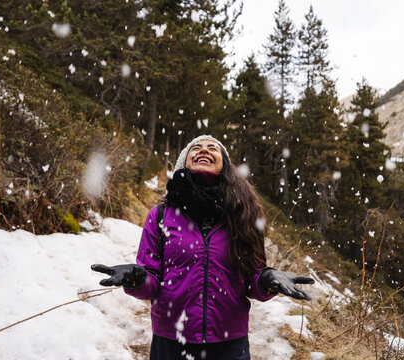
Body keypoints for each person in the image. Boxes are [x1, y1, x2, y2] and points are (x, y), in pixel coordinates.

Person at [92, 135, 314, 360]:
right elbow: (151, 283)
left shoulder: (243, 215)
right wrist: (137, 279)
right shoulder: (160, 216)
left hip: (229, 345)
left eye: (212, 148)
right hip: (171, 341)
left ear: (224, 165)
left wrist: (267, 280)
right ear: (184, 163)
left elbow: (252, 280)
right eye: (195, 148)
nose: (204, 150)